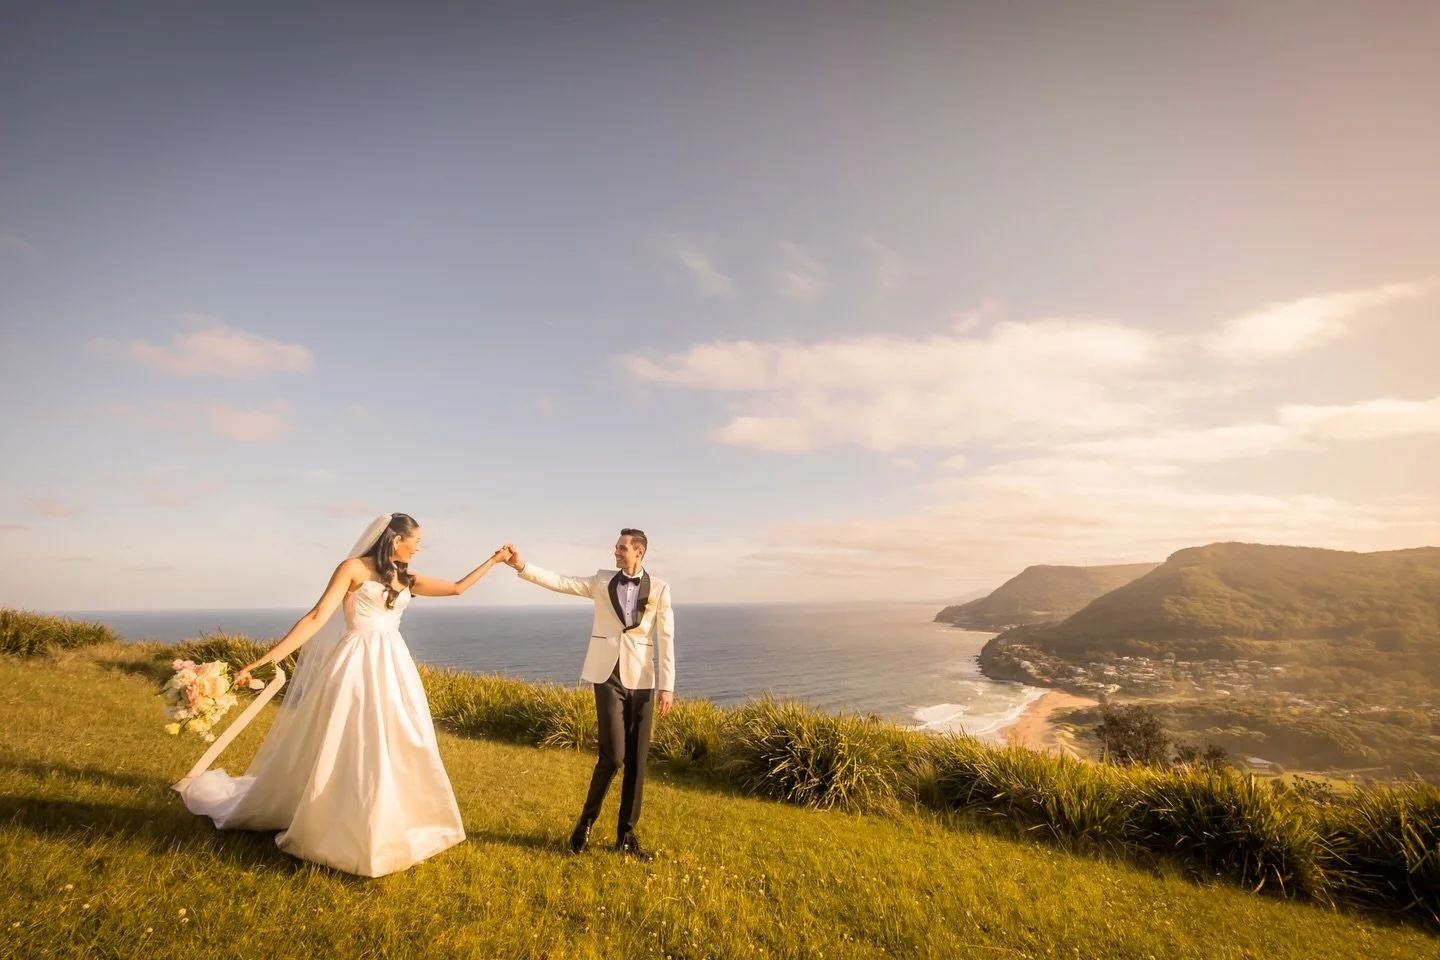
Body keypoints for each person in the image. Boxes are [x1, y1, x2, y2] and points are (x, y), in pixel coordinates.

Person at [178, 513, 511, 877]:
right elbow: (317, 617)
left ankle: (382, 821)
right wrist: (265, 659)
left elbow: (458, 588)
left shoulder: (406, 578)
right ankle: (330, 818)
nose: (418, 547)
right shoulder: (352, 568)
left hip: (393, 665)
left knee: (399, 739)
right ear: (395, 538)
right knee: (350, 737)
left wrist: (495, 561)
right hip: (355, 662)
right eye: (415, 540)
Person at [505, 529, 675, 861]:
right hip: (606, 674)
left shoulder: (661, 588)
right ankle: (585, 822)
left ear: (639, 552)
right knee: (612, 757)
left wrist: (667, 685)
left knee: (637, 764)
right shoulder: (601, 581)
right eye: (616, 547)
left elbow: (667, 637)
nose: (616, 551)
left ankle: (626, 835)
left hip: (642, 680)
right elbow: (561, 581)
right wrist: (520, 565)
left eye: (622, 548)